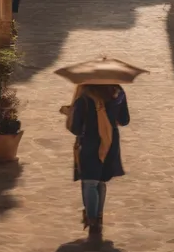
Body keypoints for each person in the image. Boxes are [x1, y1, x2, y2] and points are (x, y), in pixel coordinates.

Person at [62, 84, 130, 239]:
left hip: (90, 143)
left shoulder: (84, 98)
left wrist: (69, 113)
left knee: (90, 181)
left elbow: (76, 128)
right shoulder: (118, 92)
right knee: (100, 180)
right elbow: (124, 120)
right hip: (110, 142)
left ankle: (92, 220)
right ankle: (98, 217)